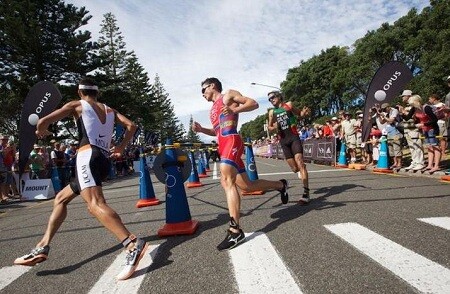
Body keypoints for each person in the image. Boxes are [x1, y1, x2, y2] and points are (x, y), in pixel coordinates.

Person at [14, 77, 146, 280]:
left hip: (87, 157)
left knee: (94, 204)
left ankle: (131, 244)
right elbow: (132, 125)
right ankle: (42, 246)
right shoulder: (109, 109)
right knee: (60, 199)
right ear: (97, 93)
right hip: (102, 159)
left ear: (79, 92)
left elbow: (43, 121)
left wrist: (41, 130)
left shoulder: (77, 104)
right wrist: (120, 147)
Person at [192, 77, 288, 251]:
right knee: (247, 186)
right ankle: (281, 185)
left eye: (203, 90)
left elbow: (252, 103)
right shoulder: (213, 108)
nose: (202, 94)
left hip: (231, 140)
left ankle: (235, 230)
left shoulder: (227, 95)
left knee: (226, 180)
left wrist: (235, 108)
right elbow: (216, 130)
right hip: (222, 143)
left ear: (212, 86)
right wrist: (201, 130)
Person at [267, 90, 311, 205]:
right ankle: (300, 169)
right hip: (283, 140)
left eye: (272, 97)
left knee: (300, 163)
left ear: (279, 96)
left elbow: (300, 114)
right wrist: (275, 127)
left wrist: (305, 114)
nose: (271, 100)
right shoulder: (272, 112)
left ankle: (306, 192)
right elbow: (269, 127)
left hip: (294, 137)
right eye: (269, 99)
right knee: (295, 169)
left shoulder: (289, 105)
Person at [407, 95, 441, 173]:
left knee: (435, 146)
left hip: (432, 129)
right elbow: (408, 117)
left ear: (417, 102)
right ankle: (430, 165)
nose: (412, 106)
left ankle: (436, 166)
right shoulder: (416, 109)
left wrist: (423, 124)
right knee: (429, 146)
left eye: (413, 104)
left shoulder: (426, 108)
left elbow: (435, 119)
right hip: (425, 129)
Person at [397, 90, 425, 171]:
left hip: (414, 129)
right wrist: (402, 112)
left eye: (403, 96)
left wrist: (404, 112)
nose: (402, 98)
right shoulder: (407, 107)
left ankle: (420, 162)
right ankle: (415, 162)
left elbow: (414, 118)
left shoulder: (415, 106)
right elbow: (406, 118)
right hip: (407, 129)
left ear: (409, 96)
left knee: (417, 146)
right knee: (411, 147)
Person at [378, 103, 403, 169]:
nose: (384, 111)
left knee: (397, 149)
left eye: (384, 109)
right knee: (391, 150)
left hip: (396, 132)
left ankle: (399, 163)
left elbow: (391, 120)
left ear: (388, 107)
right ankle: (395, 163)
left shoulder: (394, 111)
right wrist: (379, 115)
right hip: (389, 133)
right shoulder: (386, 113)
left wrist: (385, 116)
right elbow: (382, 122)